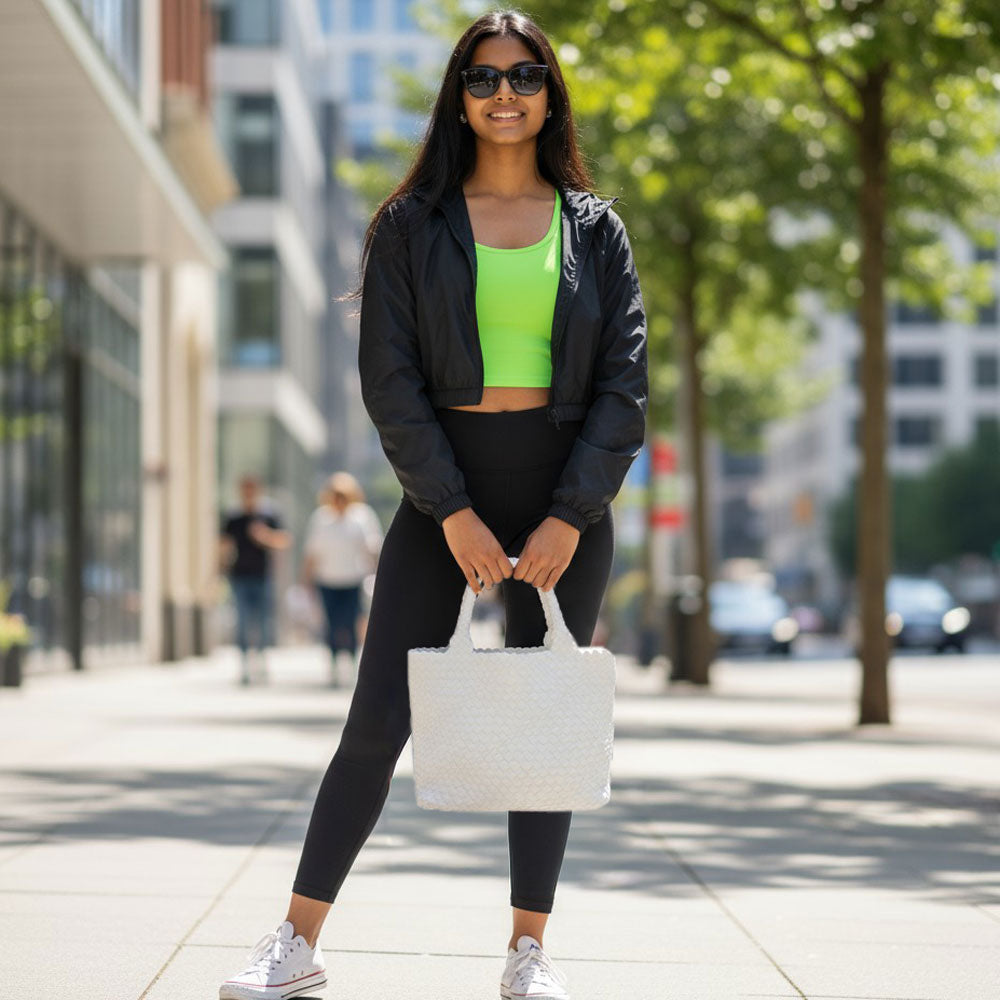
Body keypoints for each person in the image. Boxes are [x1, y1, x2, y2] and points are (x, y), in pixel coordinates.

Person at [219, 10, 646, 1000]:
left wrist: (569, 513)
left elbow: (625, 383)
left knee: (542, 730)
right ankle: (294, 939)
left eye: (525, 76)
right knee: (374, 721)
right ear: (459, 95)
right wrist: (449, 509)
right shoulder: (411, 223)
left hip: (561, 498)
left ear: (550, 93)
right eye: (486, 78)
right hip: (439, 492)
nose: (507, 95)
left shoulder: (595, 228)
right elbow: (391, 379)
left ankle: (527, 951)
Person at [302, 472, 383, 686]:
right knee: (331, 623)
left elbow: (372, 548)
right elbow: (312, 552)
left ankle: (354, 660)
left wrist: (378, 575)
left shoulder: (362, 517)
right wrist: (307, 580)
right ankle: (334, 663)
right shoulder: (321, 518)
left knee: (351, 621)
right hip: (327, 580)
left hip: (353, 579)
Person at [219, 475, 292, 686]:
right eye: (245, 489)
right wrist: (219, 569)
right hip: (239, 576)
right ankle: (243, 664)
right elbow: (223, 545)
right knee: (241, 622)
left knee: (263, 621)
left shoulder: (268, 515)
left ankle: (260, 662)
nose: (248, 493)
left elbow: (284, 541)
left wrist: (265, 536)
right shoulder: (234, 518)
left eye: (252, 489)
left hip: (263, 576)